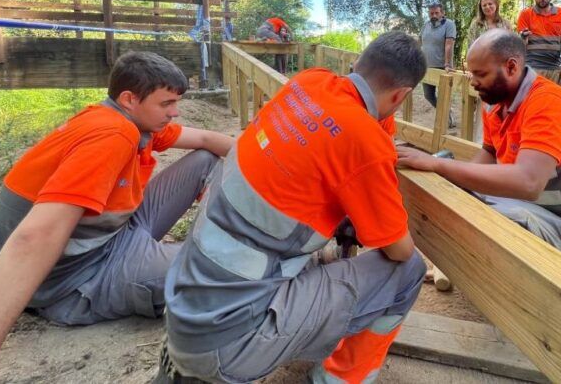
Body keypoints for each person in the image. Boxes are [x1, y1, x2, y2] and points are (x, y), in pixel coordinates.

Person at [157, 32, 428, 383]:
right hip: (229, 348)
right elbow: (399, 250)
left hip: (186, 316)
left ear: (356, 64)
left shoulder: (308, 82)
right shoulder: (363, 140)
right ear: (402, 95)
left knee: (325, 243)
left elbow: (350, 127)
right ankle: (337, 379)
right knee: (409, 272)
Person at [0, 52, 234, 369]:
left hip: (113, 236)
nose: (176, 112)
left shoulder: (124, 119)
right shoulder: (113, 135)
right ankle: (208, 253)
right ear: (130, 98)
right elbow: (34, 236)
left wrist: (266, 163)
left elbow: (205, 137)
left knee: (204, 158)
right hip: (77, 279)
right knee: (227, 267)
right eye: (166, 103)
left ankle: (205, 244)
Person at [397, 29, 561, 263]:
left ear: (511, 67)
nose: (473, 82)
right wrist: (455, 186)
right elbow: (489, 152)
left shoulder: (547, 102)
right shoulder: (496, 103)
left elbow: (528, 182)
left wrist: (439, 165)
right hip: (527, 207)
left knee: (486, 219)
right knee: (459, 199)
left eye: (481, 74)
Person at [467, 0, 512, 143]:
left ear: (496, 4)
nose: (487, 7)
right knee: (484, 108)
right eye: (484, 5)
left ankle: (501, 142)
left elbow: (511, 46)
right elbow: (471, 48)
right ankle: (482, 143)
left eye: (490, 4)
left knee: (502, 108)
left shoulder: (505, 24)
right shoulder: (476, 24)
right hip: (484, 71)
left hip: (502, 71)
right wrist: (471, 70)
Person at [516, 0, 561, 84]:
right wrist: (523, 38)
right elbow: (522, 45)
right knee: (532, 99)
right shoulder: (525, 14)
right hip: (532, 68)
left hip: (554, 68)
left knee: (552, 99)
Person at [419, 3, 456, 127]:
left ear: (442, 13)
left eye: (436, 13)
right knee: (428, 95)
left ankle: (447, 117)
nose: (434, 15)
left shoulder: (449, 24)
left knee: (444, 97)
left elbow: (449, 44)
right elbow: (419, 43)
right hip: (426, 66)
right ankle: (446, 112)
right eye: (431, 13)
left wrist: (447, 64)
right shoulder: (426, 25)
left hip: (443, 67)